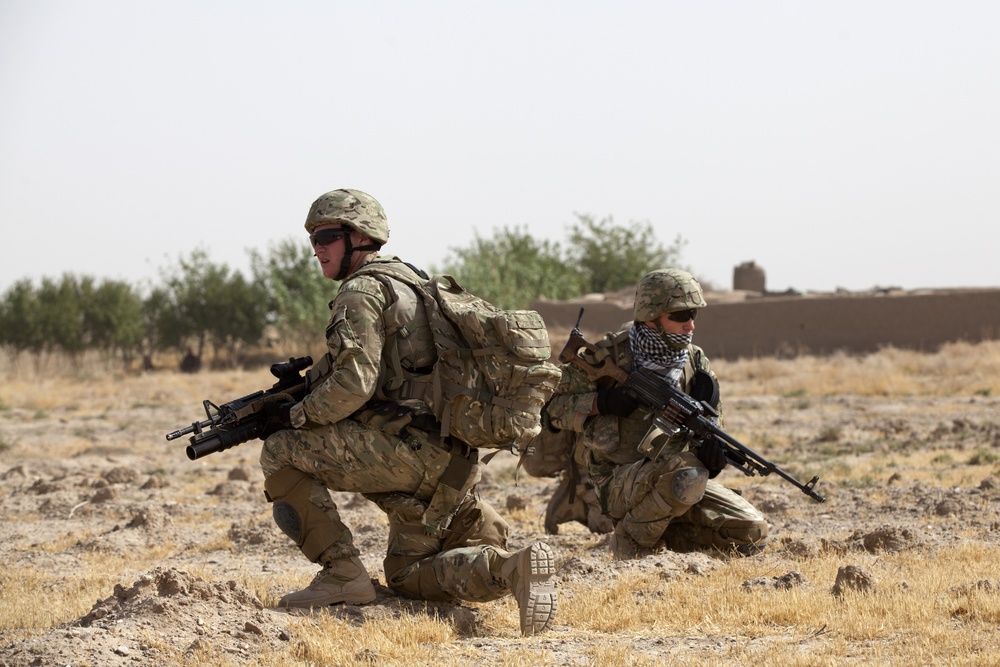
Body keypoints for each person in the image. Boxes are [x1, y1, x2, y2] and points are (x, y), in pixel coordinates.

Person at [257, 188, 557, 635]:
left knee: (280, 451)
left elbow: (353, 384)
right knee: (407, 575)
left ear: (358, 237)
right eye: (313, 239)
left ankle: (342, 574)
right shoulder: (414, 281)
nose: (316, 249)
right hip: (452, 457)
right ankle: (509, 567)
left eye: (325, 236)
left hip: (408, 455)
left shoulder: (360, 291)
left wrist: (296, 416)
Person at [541, 268, 769, 558]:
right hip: (617, 481)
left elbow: (713, 420)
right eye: (680, 316)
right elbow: (550, 411)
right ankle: (631, 542)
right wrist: (604, 402)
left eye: (693, 315)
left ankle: (658, 535)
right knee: (685, 471)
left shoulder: (694, 362)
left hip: (677, 478)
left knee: (750, 531)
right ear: (651, 317)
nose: (690, 325)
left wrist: (713, 454)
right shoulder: (610, 356)